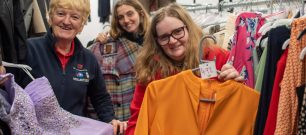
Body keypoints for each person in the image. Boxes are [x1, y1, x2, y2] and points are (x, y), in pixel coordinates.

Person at [125, 3, 244, 135]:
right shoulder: (149, 71)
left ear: (189, 29)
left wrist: (236, 84)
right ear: (156, 41)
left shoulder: (218, 58)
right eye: (164, 37)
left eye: (178, 32)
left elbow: (238, 109)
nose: (173, 41)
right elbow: (136, 121)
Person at [23, 0, 125, 134]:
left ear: (82, 25)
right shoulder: (28, 49)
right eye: (60, 14)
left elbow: (100, 97)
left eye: (75, 17)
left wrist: (110, 119)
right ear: (50, 17)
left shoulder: (89, 59)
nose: (66, 21)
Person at [90, 0, 150, 122]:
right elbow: (92, 49)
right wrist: (94, 41)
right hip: (122, 110)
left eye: (130, 14)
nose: (126, 20)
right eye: (120, 17)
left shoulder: (153, 39)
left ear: (140, 13)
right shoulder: (112, 40)